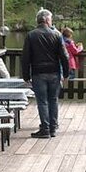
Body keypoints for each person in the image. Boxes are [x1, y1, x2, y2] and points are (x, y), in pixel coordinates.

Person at [21, 9, 68, 138]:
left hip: (38, 73)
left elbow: (26, 57)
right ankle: (53, 128)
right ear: (47, 20)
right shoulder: (57, 35)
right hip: (54, 72)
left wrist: (26, 75)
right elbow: (64, 56)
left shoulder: (31, 35)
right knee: (53, 100)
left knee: (42, 102)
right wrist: (66, 73)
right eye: (51, 19)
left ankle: (45, 129)